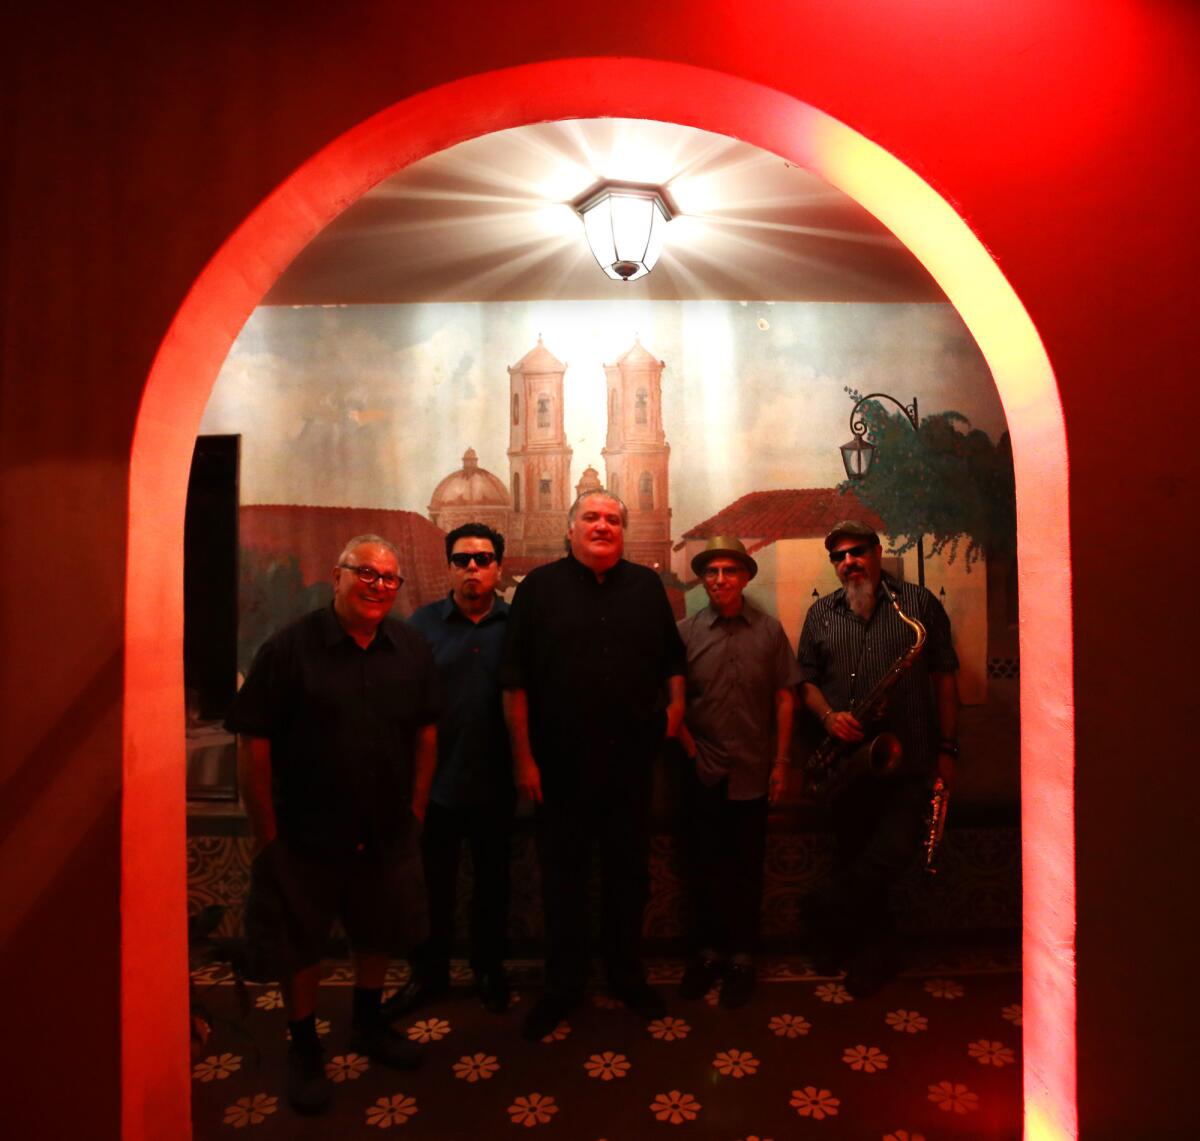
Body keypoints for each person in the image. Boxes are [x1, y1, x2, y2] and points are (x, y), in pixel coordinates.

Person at [225, 535, 438, 1116]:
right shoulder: (288, 650)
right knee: (302, 944)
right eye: (365, 574)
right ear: (338, 576)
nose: (378, 586)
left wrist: (416, 809)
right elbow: (255, 743)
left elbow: (426, 732)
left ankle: (368, 1022)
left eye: (390, 578)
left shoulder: (411, 649)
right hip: (305, 834)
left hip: (388, 829)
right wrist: (267, 834)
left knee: (379, 933)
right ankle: (303, 1046)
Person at [501, 489, 686, 1041]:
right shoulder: (538, 589)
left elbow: (672, 659)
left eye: (612, 519)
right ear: (570, 529)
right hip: (558, 771)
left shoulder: (647, 587)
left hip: (631, 767)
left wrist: (676, 708)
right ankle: (562, 987)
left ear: (622, 531)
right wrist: (524, 760)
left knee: (629, 877)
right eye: (591, 517)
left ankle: (627, 976)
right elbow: (514, 681)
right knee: (563, 880)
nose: (602, 526)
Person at [796, 520, 960, 996]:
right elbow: (804, 681)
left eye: (858, 551)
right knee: (853, 856)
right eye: (839, 556)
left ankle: (824, 911)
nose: (849, 562)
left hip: (906, 759)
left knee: (889, 854)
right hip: (846, 764)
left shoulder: (918, 605)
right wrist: (828, 717)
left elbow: (944, 677)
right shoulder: (821, 614)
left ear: (876, 551)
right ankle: (868, 953)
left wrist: (948, 749)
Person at [387, 522, 514, 1017]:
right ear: (450, 567)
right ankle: (429, 973)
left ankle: (489, 970)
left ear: (499, 568)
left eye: (483, 559)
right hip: (434, 784)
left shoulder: (518, 626)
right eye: (463, 559)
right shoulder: (421, 626)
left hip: (497, 782)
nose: (473, 568)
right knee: (432, 886)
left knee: (492, 886)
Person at [674, 536, 800, 1008]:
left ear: (746, 577)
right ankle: (706, 956)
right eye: (711, 572)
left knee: (745, 871)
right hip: (701, 774)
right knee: (702, 868)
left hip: (752, 771)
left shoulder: (769, 632)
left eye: (730, 571)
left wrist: (781, 763)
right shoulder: (685, 633)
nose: (720, 580)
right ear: (703, 580)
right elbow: (674, 702)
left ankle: (742, 959)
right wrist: (690, 751)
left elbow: (784, 698)